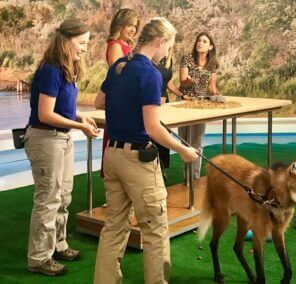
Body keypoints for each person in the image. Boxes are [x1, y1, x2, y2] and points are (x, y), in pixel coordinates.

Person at [93, 17, 198, 284]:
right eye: (168, 47)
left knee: (114, 228)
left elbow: (100, 101)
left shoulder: (119, 66)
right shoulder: (150, 73)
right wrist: (183, 149)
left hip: (112, 154)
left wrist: (128, 106)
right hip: (137, 160)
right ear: (160, 41)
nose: (167, 53)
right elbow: (153, 128)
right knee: (154, 230)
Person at [24, 19, 99, 276]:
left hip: (62, 138)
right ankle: (39, 258)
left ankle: (58, 245)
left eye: (86, 43)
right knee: (48, 198)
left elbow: (61, 106)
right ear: (66, 41)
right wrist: (81, 127)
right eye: (81, 43)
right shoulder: (50, 70)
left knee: (63, 195)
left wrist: (79, 117)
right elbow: (45, 114)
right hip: (46, 139)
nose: (85, 49)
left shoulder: (67, 69)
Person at [96, 8, 140, 178]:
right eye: (129, 25)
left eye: (135, 26)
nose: (133, 29)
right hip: (120, 101)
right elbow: (118, 75)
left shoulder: (130, 46)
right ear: (120, 25)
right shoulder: (115, 45)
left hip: (130, 101)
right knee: (116, 143)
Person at [178, 32, 221, 178]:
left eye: (204, 41)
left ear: (210, 46)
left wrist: (218, 96)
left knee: (197, 141)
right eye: (198, 41)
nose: (200, 43)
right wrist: (189, 81)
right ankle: (186, 176)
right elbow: (182, 81)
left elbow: (212, 86)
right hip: (185, 103)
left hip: (200, 105)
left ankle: (194, 176)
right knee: (185, 141)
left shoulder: (212, 63)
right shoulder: (187, 58)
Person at [153, 51, 186, 180]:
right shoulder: (150, 57)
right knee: (153, 134)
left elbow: (168, 83)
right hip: (151, 100)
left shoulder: (168, 59)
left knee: (164, 133)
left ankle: (161, 169)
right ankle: (153, 168)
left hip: (164, 101)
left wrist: (181, 95)